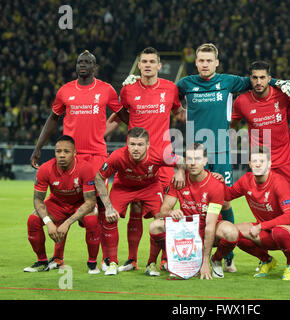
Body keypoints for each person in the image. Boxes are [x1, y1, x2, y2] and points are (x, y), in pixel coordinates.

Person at [124, 43, 290, 272]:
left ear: (216, 63)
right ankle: (172, 255)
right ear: (195, 63)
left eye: (209, 60)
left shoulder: (228, 81)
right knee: (186, 199)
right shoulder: (185, 84)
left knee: (224, 200)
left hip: (221, 151)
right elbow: (160, 89)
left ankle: (228, 255)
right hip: (194, 153)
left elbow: (257, 81)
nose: (205, 64)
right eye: (201, 60)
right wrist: (134, 81)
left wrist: (278, 82)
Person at [29, 50, 130, 269]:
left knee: (102, 208)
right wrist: (38, 147)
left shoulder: (106, 90)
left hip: (96, 157)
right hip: (71, 157)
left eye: (87, 62)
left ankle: (106, 259)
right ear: (76, 66)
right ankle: (57, 258)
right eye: (79, 62)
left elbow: (122, 114)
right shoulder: (65, 91)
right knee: (63, 204)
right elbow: (53, 119)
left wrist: (137, 131)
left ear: (95, 67)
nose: (83, 65)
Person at [105, 47, 186, 273]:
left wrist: (207, 115)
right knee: (136, 209)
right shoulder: (128, 91)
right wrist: (96, 136)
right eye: (144, 62)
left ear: (160, 65)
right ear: (138, 65)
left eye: (152, 61)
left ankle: (160, 260)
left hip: (164, 159)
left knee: (164, 212)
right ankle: (132, 260)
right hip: (136, 158)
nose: (148, 65)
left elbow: (181, 113)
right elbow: (119, 116)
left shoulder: (170, 89)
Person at [94, 127, 185, 275]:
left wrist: (180, 171)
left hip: (149, 187)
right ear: (127, 144)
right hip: (123, 187)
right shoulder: (117, 156)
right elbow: (99, 177)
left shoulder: (158, 154)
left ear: (148, 145)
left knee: (161, 219)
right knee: (110, 217)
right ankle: (113, 262)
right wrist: (108, 207)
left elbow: (180, 159)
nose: (136, 148)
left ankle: (151, 264)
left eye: (140, 145)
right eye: (132, 144)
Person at [148, 143, 239, 279]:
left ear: (205, 161)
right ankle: (178, 257)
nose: (193, 163)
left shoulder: (215, 185)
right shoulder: (179, 180)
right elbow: (163, 210)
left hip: (208, 229)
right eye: (189, 159)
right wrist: (171, 212)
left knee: (232, 233)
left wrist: (205, 262)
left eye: (197, 159)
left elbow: (210, 224)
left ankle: (216, 260)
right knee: (154, 226)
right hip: (187, 228)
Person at [24, 135, 101, 273]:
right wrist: (48, 222)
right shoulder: (45, 169)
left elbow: (90, 201)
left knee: (91, 220)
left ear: (74, 153)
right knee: (33, 220)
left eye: (66, 151)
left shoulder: (86, 168)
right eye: (58, 151)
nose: (62, 155)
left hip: (80, 204)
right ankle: (42, 261)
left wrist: (66, 223)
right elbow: (38, 200)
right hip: (57, 203)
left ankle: (92, 263)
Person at [224, 146, 290, 280]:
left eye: (262, 161)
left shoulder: (278, 182)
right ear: (250, 164)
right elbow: (227, 195)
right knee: (234, 233)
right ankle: (267, 260)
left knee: (278, 232)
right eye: (254, 161)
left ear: (269, 164)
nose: (258, 164)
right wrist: (215, 180)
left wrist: (261, 226)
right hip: (264, 232)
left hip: (286, 231)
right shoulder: (246, 180)